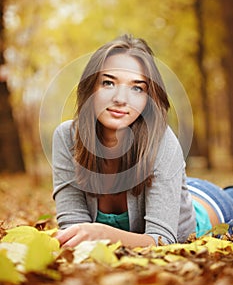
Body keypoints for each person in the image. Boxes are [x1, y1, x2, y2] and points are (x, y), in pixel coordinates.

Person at [52, 34, 233, 248]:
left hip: (207, 202)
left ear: (148, 98)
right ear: (90, 87)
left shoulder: (162, 140)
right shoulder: (67, 137)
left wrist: (103, 233)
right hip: (172, 188)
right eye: (108, 83)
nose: (121, 99)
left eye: (137, 88)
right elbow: (74, 228)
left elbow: (162, 240)